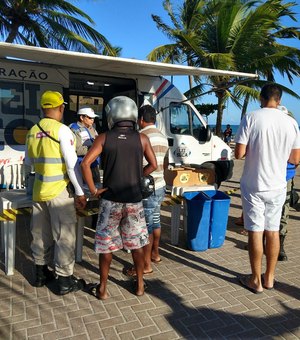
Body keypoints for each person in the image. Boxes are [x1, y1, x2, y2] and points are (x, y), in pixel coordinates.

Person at [81, 96, 157, 300]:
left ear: (112, 114)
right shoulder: (142, 138)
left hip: (110, 200)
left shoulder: (103, 137)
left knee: (107, 246)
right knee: (137, 245)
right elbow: (154, 165)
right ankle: (140, 285)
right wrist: (138, 175)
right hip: (134, 201)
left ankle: (103, 289)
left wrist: (94, 190)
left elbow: (85, 164)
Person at [234, 83, 300, 293]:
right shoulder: (291, 123)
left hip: (254, 184)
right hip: (278, 185)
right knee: (272, 231)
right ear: (279, 100)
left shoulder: (252, 117)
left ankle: (255, 280)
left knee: (255, 230)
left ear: (261, 98)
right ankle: (270, 278)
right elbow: (295, 158)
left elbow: (239, 154)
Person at [25, 91, 87, 295]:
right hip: (59, 191)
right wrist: (79, 191)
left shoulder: (32, 131)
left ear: (43, 108)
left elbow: (28, 163)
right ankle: (64, 281)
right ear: (60, 108)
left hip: (39, 190)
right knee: (64, 236)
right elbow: (71, 165)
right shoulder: (63, 130)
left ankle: (41, 275)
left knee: (40, 234)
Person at [126, 105, 169, 277]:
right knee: (156, 221)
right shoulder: (163, 136)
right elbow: (165, 163)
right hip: (161, 184)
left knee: (146, 228)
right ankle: (155, 254)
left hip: (147, 187)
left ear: (141, 119)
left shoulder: (141, 137)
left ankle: (145, 265)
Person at [69, 107, 101, 186]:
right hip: (81, 166)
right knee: (84, 189)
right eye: (90, 118)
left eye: (93, 118)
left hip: (93, 165)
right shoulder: (73, 129)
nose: (92, 120)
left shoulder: (92, 128)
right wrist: (92, 149)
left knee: (97, 187)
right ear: (82, 117)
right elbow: (74, 150)